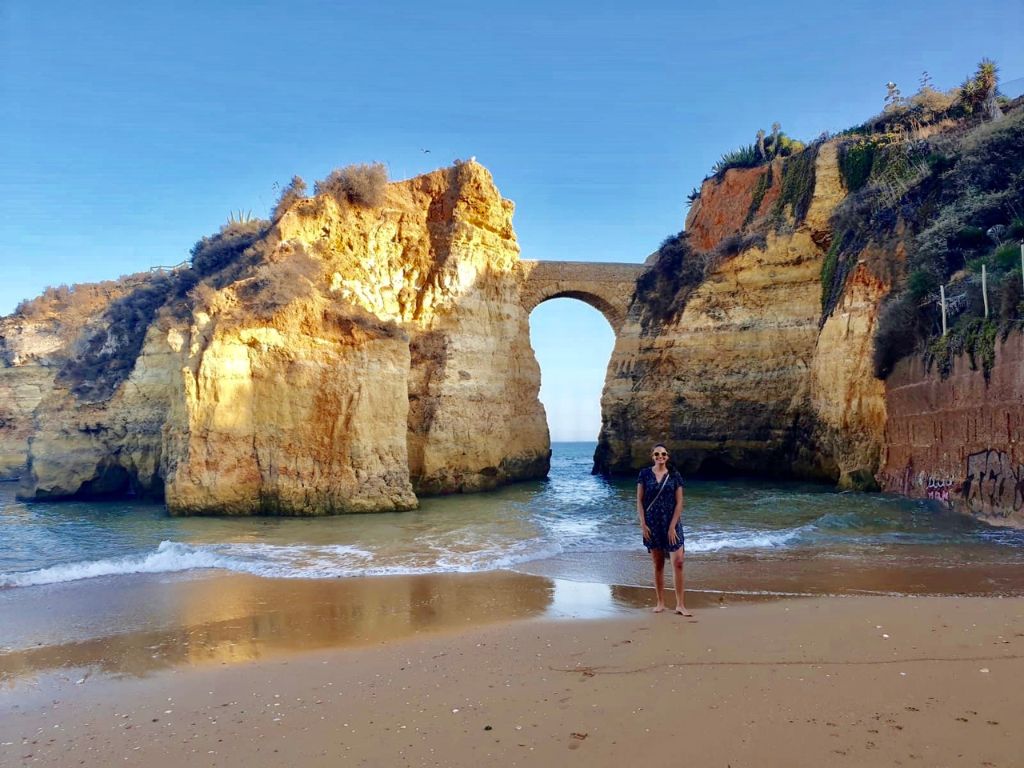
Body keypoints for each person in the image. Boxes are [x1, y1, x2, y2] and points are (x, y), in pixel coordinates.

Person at [636, 444, 691, 616]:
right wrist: (643, 524)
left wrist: (673, 526)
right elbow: (639, 501)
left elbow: (680, 502)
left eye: (663, 454)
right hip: (652, 523)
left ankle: (680, 605)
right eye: (657, 454)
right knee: (658, 563)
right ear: (652, 456)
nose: (660, 456)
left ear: (667, 456)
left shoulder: (675, 475)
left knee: (679, 562)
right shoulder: (644, 474)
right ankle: (660, 602)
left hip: (672, 523)